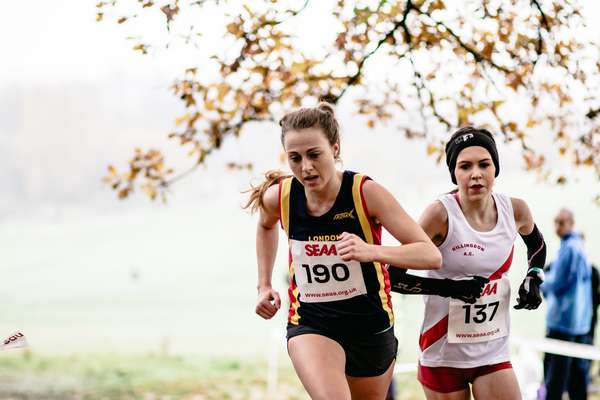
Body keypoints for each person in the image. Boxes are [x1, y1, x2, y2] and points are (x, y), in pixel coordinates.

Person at [244, 102, 446, 400]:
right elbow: (265, 225)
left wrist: (371, 251)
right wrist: (264, 285)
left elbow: (430, 255)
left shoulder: (365, 193)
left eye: (314, 155)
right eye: (295, 158)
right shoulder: (282, 197)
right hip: (312, 322)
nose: (305, 167)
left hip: (370, 326)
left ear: (335, 149)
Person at [412, 126, 546, 400]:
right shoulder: (439, 215)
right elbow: (393, 275)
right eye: (465, 166)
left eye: (484, 164)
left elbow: (537, 245)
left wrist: (533, 277)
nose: (476, 173)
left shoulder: (515, 210)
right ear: (454, 173)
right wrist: (450, 288)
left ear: (495, 169)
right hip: (443, 354)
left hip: (492, 350)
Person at [541, 209, 592, 400]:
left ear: (571, 223)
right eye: (555, 222)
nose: (557, 227)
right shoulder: (580, 246)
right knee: (578, 378)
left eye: (561, 223)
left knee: (555, 378)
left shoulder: (569, 248)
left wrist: (539, 282)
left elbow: (558, 283)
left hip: (563, 322)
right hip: (580, 323)